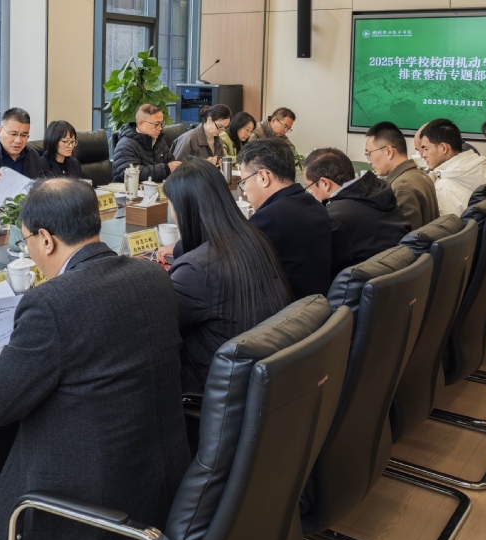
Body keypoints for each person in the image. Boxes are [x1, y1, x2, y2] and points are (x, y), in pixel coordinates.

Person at [0, 179, 190, 540]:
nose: (29, 250)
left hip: (88, 517)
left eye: (27, 240)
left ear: (46, 239)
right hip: (160, 494)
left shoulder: (51, 302)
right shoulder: (153, 276)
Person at [164, 160, 292, 393]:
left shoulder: (196, 270)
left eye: (171, 206)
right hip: (257, 382)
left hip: (209, 388)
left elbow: (156, 324)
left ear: (185, 209)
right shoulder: (255, 239)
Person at [237, 139, 333, 299]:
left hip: (285, 310)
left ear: (263, 177)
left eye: (244, 182)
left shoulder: (268, 219)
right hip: (315, 306)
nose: (245, 192)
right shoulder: (315, 206)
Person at [304, 147, 411, 278]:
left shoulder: (335, 218)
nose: (310, 193)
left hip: (357, 285)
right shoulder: (381, 194)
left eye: (309, 187)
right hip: (394, 280)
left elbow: (318, 270)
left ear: (325, 183)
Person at [365, 121, 439, 232]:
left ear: (389, 151)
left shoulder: (402, 187)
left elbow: (403, 239)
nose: (369, 161)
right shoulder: (420, 175)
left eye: (369, 154)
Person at [418, 118, 486, 216]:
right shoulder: (482, 165)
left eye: (426, 149)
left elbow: (448, 225)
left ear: (443, 148)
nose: (423, 155)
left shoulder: (443, 188)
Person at [111, 103, 181, 183]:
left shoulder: (159, 141)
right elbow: (130, 173)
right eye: (156, 124)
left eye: (161, 124)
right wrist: (165, 169)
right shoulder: (126, 145)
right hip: (129, 189)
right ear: (141, 124)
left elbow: (171, 164)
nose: (160, 128)